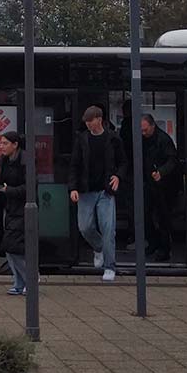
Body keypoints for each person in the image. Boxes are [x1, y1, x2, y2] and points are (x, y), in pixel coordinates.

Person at [70, 104, 124, 282]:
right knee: (84, 227)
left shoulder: (113, 138)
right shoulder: (81, 139)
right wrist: (73, 188)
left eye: (90, 121)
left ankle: (110, 267)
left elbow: (124, 162)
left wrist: (117, 176)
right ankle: (99, 247)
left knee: (109, 229)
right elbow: (74, 165)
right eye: (86, 122)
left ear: (99, 120)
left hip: (105, 191)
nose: (88, 125)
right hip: (86, 190)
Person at [0, 131, 30, 295]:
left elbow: (29, 188)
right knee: (8, 248)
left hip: (24, 210)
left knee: (12, 246)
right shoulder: (4, 162)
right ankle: (19, 283)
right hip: (9, 209)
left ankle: (31, 279)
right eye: (1, 143)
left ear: (15, 145)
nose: (1, 146)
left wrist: (9, 190)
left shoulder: (26, 161)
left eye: (5, 143)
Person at [139, 114, 180, 262]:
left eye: (145, 130)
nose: (143, 134)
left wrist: (161, 173)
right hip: (148, 183)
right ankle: (153, 243)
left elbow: (172, 160)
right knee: (145, 214)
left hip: (164, 185)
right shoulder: (143, 140)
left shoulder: (163, 140)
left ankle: (164, 249)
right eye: (141, 131)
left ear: (153, 126)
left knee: (163, 217)